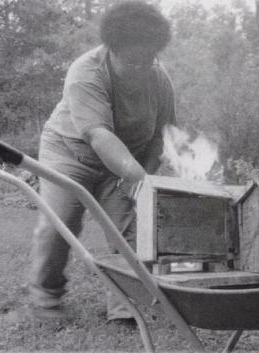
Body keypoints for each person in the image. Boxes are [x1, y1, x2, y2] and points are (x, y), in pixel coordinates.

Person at [29, 1, 175, 321]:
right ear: (112, 49)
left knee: (130, 232)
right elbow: (99, 135)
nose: (142, 68)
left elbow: (159, 138)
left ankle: (127, 305)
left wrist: (143, 179)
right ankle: (46, 299)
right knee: (60, 223)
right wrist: (134, 174)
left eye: (148, 59)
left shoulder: (161, 81)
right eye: (133, 61)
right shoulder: (86, 71)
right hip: (70, 154)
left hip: (125, 162)